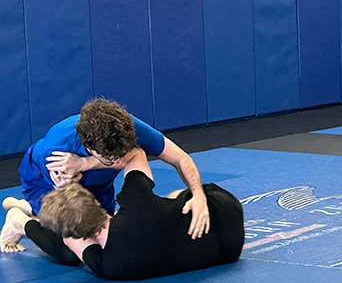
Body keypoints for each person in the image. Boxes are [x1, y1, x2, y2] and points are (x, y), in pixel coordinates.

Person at [0, 148, 244, 278]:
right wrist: (84, 164)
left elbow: (69, 239)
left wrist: (61, 205)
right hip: (226, 217)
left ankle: (22, 220)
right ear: (97, 202)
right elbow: (135, 153)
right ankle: (24, 213)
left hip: (227, 242)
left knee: (67, 256)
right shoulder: (137, 202)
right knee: (173, 201)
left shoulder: (109, 267)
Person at [18, 98, 211, 238]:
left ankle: (31, 209)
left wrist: (199, 195)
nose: (117, 160)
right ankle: (19, 218)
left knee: (107, 235)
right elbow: (66, 200)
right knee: (69, 243)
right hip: (45, 181)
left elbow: (181, 159)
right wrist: (66, 186)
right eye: (109, 159)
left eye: (120, 155)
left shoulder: (129, 128)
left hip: (97, 182)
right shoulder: (57, 147)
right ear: (89, 147)